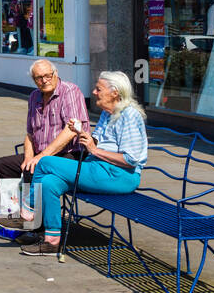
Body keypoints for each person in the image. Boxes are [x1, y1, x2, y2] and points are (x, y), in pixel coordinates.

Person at [21, 71, 149, 257]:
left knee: (46, 162)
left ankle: (29, 208)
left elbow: (131, 159)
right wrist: (83, 135)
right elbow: (97, 144)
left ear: (115, 92)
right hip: (98, 169)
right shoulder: (107, 113)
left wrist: (94, 150)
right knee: (48, 182)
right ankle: (52, 242)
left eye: (99, 89)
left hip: (119, 176)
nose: (94, 92)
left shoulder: (129, 116)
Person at [0, 59, 89, 242]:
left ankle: (36, 227)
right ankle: (11, 217)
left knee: (37, 168)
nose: (44, 80)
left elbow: (71, 130)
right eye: (38, 78)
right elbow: (29, 133)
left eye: (47, 76)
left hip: (70, 155)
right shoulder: (34, 96)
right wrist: (29, 157)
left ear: (55, 74)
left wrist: (40, 157)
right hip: (41, 154)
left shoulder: (70, 91)